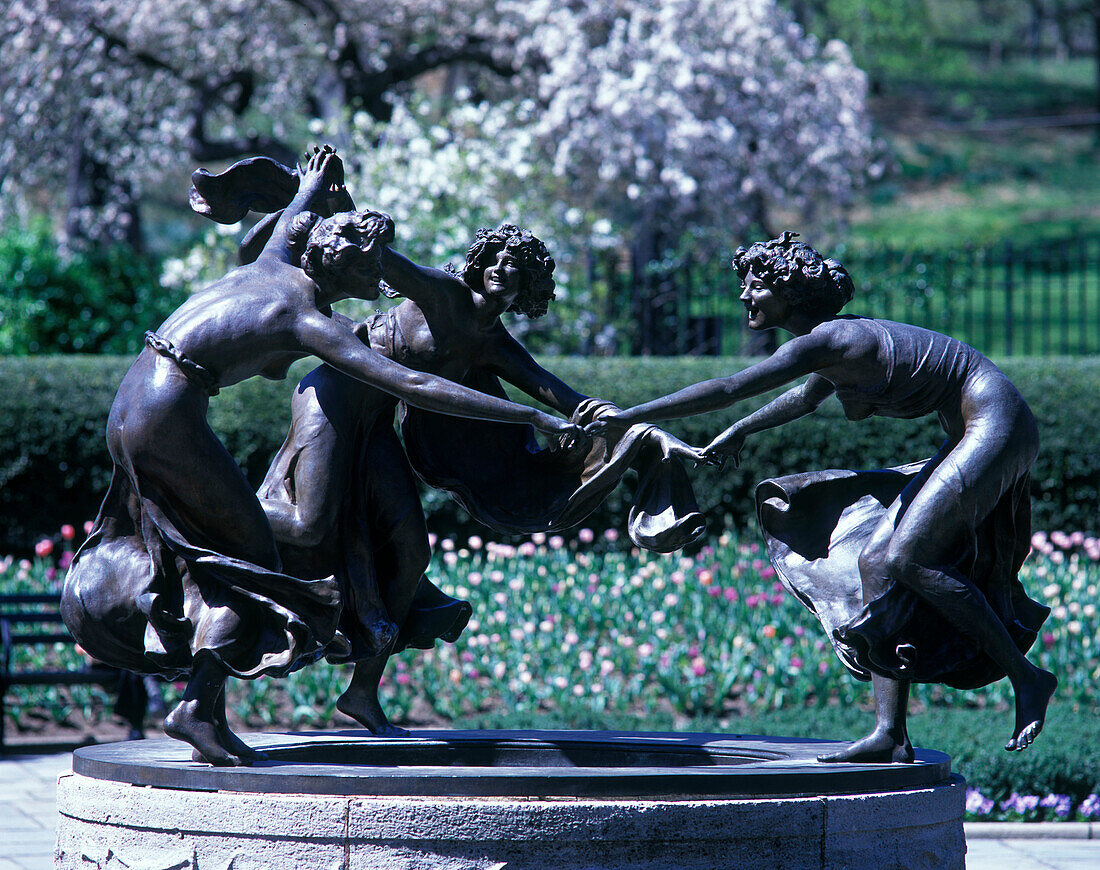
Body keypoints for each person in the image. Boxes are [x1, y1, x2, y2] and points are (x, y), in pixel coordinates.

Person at [62, 147, 583, 766]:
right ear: (342, 269)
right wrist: (527, 416)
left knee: (399, 547)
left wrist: (315, 182)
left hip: (140, 398)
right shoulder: (308, 318)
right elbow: (415, 385)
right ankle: (198, 707)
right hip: (170, 414)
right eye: (369, 279)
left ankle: (340, 685)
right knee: (250, 555)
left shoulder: (278, 260)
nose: (378, 292)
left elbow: (300, 208)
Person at [589, 231, 1056, 762]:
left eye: (758, 285)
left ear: (791, 294)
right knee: (876, 561)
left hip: (997, 423)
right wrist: (741, 430)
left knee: (906, 556)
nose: (744, 295)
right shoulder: (832, 345)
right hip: (970, 429)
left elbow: (727, 386)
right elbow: (804, 398)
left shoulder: (829, 340)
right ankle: (890, 734)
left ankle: (1027, 678)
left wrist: (629, 415)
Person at [256, 221, 708, 735]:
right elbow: (381, 258)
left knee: (410, 552)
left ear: (526, 290)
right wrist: (335, 208)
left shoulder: (494, 342)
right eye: (493, 257)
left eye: (515, 267)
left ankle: (361, 692)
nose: (500, 269)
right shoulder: (441, 292)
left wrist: (643, 434)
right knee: (308, 527)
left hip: (375, 423)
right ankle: (213, 518)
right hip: (333, 401)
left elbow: (566, 399)